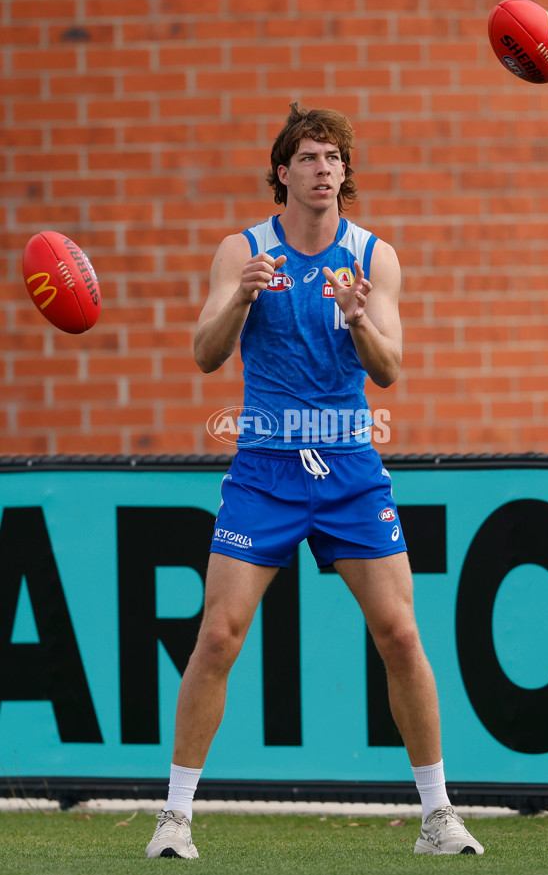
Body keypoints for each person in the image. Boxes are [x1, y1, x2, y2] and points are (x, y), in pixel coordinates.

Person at [145, 103, 484, 858]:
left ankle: (437, 816)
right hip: (264, 467)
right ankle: (174, 816)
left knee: (400, 632)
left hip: (351, 471)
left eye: (333, 157)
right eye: (308, 157)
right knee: (219, 634)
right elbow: (203, 354)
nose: (323, 168)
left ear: (345, 173)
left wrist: (359, 318)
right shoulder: (243, 251)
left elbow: (390, 370)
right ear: (282, 172)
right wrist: (241, 296)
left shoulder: (373, 256)